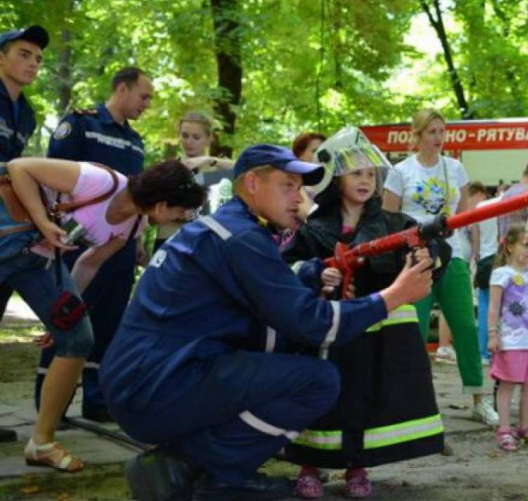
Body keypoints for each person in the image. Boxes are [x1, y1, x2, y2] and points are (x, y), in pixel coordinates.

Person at [102, 144, 434, 501]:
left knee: (280, 355)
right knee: (317, 381)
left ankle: (195, 462)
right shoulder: (242, 238)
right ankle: (202, 469)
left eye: (301, 188)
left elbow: (259, 292)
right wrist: (396, 295)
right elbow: (315, 324)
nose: (299, 197)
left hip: (146, 380)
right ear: (252, 184)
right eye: (287, 186)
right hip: (157, 388)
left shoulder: (223, 229)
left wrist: (313, 273)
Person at [3, 157, 204, 472]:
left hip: (34, 262)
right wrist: (44, 222)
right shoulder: (101, 181)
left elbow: (89, 263)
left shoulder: (134, 224)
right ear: (163, 206)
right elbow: (18, 168)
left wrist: (63, 313)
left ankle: (41, 443)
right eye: (179, 214)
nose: (179, 220)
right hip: (7, 238)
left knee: (77, 337)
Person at [282, 129, 443, 498]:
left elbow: (432, 250)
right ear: (336, 179)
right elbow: (285, 269)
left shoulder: (392, 224)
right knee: (322, 396)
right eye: (356, 173)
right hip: (327, 331)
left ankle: (357, 467)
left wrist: (428, 255)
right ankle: (310, 464)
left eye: (370, 173)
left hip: (374, 333)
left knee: (364, 397)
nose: (365, 180)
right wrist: (316, 273)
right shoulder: (312, 230)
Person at [40, 66, 154, 423]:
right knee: (67, 316)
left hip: (118, 246)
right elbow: (52, 174)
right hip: (76, 238)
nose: (146, 104)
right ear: (122, 89)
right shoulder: (82, 123)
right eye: (143, 96)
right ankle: (48, 403)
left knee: (109, 321)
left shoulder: (136, 141)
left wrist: (137, 238)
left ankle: (96, 397)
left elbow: (137, 195)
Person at [382, 108, 497, 426]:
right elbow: (388, 220)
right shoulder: (401, 172)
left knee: (465, 326)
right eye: (431, 132)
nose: (438, 138)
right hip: (414, 261)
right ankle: (410, 401)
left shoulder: (455, 168)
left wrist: (466, 248)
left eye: (442, 132)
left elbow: (461, 216)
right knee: (412, 331)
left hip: (453, 257)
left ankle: (477, 398)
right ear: (417, 136)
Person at [0, 24, 48, 443]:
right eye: (23, 54)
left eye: (38, 58)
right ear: (0, 57)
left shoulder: (27, 113)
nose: (32, 63)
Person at [487, 225, 528, 451]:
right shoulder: (501, 274)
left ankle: (524, 426)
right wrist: (492, 334)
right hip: (511, 340)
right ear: (509, 246)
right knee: (507, 385)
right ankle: (504, 429)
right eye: (525, 245)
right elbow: (494, 307)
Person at [154, 111, 234, 251]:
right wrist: (175, 214)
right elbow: (149, 213)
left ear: (209, 138)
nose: (189, 142)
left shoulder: (216, 170)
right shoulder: (165, 170)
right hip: (169, 241)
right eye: (185, 136)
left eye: (196, 137)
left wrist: (210, 160)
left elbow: (247, 167)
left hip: (205, 243)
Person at [469, 181, 498, 365]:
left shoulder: (479, 209)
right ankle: (497, 350)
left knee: (484, 306)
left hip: (484, 260)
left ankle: (484, 352)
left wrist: (476, 259)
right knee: (499, 307)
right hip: (499, 258)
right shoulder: (500, 207)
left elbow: (475, 238)